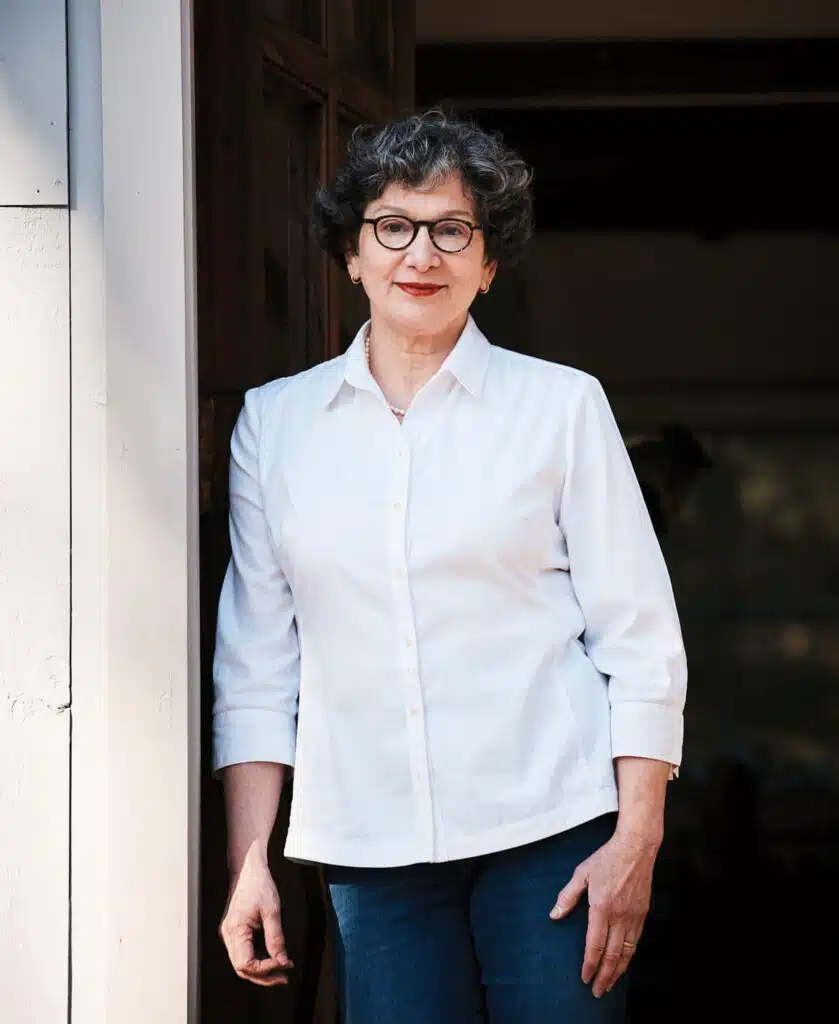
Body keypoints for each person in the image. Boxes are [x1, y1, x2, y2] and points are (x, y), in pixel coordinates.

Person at [213, 110, 687, 1023]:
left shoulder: (560, 407)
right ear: (351, 254)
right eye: (393, 226)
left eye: (452, 231)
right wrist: (248, 864)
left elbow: (639, 639)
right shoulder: (275, 426)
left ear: (488, 262)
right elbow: (256, 664)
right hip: (369, 843)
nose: (420, 255)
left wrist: (637, 841)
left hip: (552, 827)